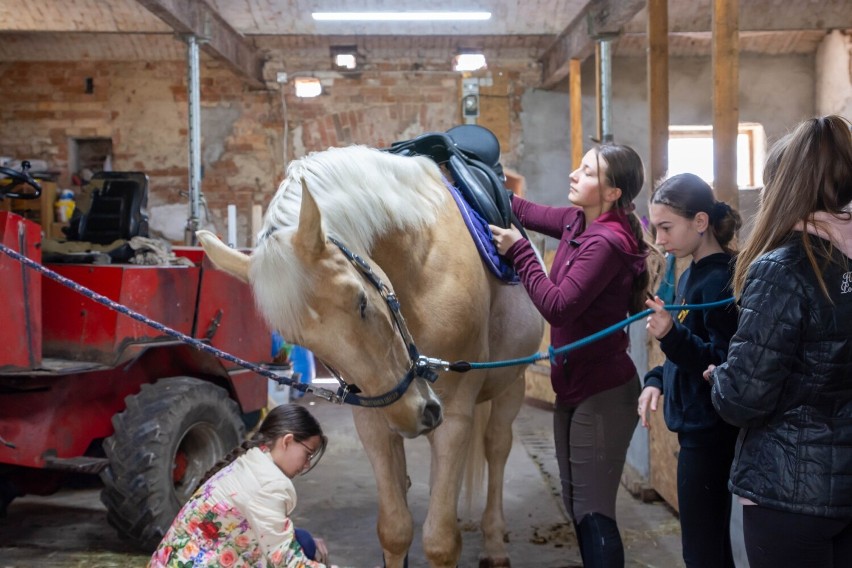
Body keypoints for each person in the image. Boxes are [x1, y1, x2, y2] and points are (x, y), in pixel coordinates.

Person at [490, 143, 656, 567]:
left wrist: (522, 252)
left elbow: (558, 306)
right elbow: (521, 210)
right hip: (575, 385)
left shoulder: (608, 241)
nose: (573, 175)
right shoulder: (577, 221)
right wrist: (469, 174)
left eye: (586, 172)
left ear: (613, 192)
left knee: (594, 513)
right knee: (576, 506)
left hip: (603, 392)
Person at [706, 114, 852, 568]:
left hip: (790, 489)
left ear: (784, 187)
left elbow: (743, 398)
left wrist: (720, 378)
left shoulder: (783, 268)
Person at [638, 173, 741, 567]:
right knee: (706, 543)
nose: (660, 240)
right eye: (655, 228)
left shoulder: (720, 280)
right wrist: (655, 381)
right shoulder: (691, 273)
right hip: (696, 427)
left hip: (711, 431)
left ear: (700, 222)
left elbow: (720, 361)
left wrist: (671, 336)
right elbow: (685, 348)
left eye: (666, 228)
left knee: (703, 549)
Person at [149, 403, 337, 568]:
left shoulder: (254, 458)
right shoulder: (269, 485)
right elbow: (286, 560)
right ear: (287, 441)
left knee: (303, 540)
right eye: (308, 454)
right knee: (301, 547)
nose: (307, 465)